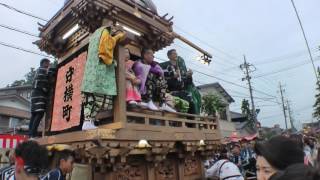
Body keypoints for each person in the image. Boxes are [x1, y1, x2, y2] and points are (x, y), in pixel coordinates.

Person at [160, 49, 202, 114]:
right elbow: (163, 79)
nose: (176, 55)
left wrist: (189, 76)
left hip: (182, 92)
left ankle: (191, 123)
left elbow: (188, 83)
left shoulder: (180, 68)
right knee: (182, 102)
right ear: (169, 56)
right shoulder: (165, 66)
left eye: (176, 53)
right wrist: (173, 77)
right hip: (171, 92)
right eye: (174, 53)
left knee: (192, 102)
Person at [29, 58, 51, 137]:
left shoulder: (37, 71)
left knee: (34, 114)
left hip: (34, 95)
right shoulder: (43, 70)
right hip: (39, 95)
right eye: (48, 63)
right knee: (39, 113)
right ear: (44, 63)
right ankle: (33, 134)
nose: (49, 65)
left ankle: (30, 134)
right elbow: (46, 81)